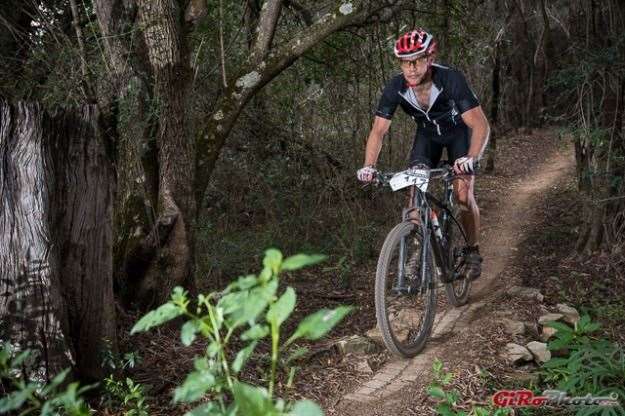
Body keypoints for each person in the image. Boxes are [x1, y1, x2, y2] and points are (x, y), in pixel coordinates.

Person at [357, 29, 490, 279]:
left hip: (458, 136)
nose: (411, 68)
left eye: (417, 60)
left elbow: (479, 124)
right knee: (415, 196)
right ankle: (419, 249)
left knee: (463, 195)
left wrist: (471, 158)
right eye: (405, 62)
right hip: (427, 138)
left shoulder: (451, 80)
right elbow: (378, 131)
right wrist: (368, 166)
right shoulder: (395, 87)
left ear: (430, 58)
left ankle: (472, 250)